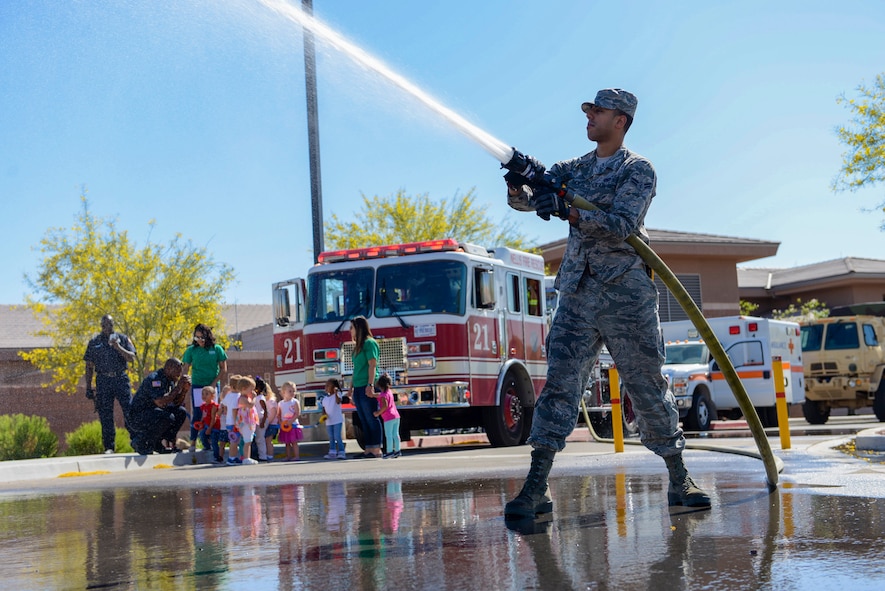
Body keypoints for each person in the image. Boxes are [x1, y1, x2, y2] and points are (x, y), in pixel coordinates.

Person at [503, 88, 711, 519]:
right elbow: (527, 200)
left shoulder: (638, 170)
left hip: (625, 294)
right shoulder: (573, 168)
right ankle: (536, 488)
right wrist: (518, 178)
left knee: (647, 386)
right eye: (588, 110)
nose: (589, 116)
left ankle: (679, 479)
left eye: (597, 111)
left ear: (621, 120)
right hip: (578, 292)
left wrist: (569, 210)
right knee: (559, 386)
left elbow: (620, 225)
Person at [83, 314, 137, 454]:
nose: (108, 327)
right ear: (101, 326)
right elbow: (89, 366)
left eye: (110, 324)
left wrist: (117, 346)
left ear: (114, 325)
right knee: (105, 415)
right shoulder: (94, 342)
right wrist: (88, 387)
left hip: (120, 378)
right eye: (105, 325)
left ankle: (137, 440)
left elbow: (131, 358)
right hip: (103, 380)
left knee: (129, 410)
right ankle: (109, 447)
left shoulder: (123, 339)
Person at [128, 358, 190, 455]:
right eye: (177, 372)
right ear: (169, 369)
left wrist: (184, 391)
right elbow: (160, 402)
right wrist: (178, 387)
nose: (178, 375)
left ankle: (157, 443)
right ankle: (140, 441)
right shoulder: (155, 379)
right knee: (167, 417)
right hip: (138, 417)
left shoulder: (170, 380)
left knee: (180, 412)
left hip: (154, 413)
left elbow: (175, 403)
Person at [181, 324, 228, 452]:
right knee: (197, 413)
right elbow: (185, 368)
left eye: (202, 337)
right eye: (197, 338)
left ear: (208, 336)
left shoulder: (217, 349)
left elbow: (224, 369)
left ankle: (213, 441)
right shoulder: (191, 350)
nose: (199, 340)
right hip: (197, 385)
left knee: (214, 413)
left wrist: (214, 383)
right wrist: (184, 380)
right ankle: (193, 442)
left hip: (212, 386)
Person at [350, 315, 382, 458]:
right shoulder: (357, 347)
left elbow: (372, 365)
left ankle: (376, 449)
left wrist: (370, 385)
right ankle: (368, 448)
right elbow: (355, 369)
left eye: (352, 328)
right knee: (363, 418)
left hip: (367, 385)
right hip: (358, 386)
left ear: (359, 328)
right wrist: (350, 389)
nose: (350, 331)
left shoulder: (370, 343)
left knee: (371, 417)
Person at [374, 374, 401, 458]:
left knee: (388, 435)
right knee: (395, 434)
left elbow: (385, 406)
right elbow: (379, 395)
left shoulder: (383, 396)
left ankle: (389, 451)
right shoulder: (389, 392)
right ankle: (397, 450)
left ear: (379, 385)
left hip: (388, 417)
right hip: (396, 416)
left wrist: (378, 412)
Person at [235, 376, 259, 465]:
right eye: (251, 389)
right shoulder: (242, 398)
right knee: (247, 440)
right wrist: (254, 398)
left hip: (249, 421)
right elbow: (250, 405)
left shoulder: (245, 397)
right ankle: (246, 458)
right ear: (244, 389)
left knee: (249, 440)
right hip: (245, 422)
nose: (252, 391)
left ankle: (247, 457)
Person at [278, 381, 303, 461]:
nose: (292, 393)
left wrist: (291, 421)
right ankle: (288, 456)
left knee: (294, 442)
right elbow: (279, 414)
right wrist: (280, 422)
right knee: (287, 442)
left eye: (294, 391)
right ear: (283, 392)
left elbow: (297, 413)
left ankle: (296, 456)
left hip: (293, 425)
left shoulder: (295, 402)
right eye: (290, 391)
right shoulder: (280, 403)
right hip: (285, 426)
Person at [321, 378, 346, 459]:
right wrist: (324, 416)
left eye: (328, 385)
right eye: (326, 385)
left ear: (334, 387)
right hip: (329, 421)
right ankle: (332, 452)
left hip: (337, 420)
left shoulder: (338, 394)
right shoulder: (325, 399)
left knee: (337, 436)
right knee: (331, 436)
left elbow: (338, 401)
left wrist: (336, 393)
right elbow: (324, 409)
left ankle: (341, 452)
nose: (326, 387)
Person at [199, 385, 224, 463]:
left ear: (213, 396)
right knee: (202, 435)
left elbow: (214, 418)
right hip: (206, 425)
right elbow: (204, 415)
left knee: (214, 441)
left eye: (207, 394)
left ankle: (217, 457)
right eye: (203, 394)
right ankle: (207, 446)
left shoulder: (213, 406)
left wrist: (210, 428)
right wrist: (201, 422)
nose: (204, 396)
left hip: (214, 426)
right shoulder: (203, 406)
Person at [220, 375, 242, 464]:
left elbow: (223, 402)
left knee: (234, 441)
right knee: (235, 441)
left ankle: (233, 457)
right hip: (234, 422)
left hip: (228, 422)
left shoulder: (228, 396)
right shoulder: (237, 396)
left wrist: (225, 409)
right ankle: (231, 458)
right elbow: (234, 410)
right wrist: (237, 422)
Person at [261, 379, 280, 462]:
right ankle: (267, 454)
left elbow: (273, 413)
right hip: (268, 424)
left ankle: (270, 455)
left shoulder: (271, 401)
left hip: (272, 425)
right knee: (266, 440)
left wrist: (266, 422)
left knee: (268, 440)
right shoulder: (266, 401)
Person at [253, 376, 271, 461]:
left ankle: (263, 456)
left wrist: (263, 421)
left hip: (261, 419)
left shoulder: (260, 398)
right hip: (257, 419)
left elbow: (265, 411)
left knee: (260, 439)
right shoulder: (255, 397)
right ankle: (259, 454)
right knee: (258, 439)